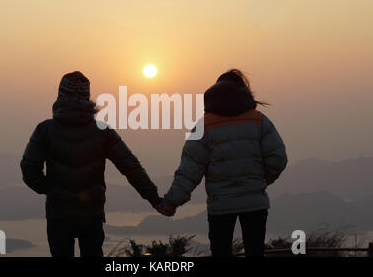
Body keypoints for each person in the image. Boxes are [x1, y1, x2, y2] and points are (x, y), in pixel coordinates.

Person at [20, 71, 162, 257]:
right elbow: (131, 167)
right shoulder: (102, 132)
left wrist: (50, 188)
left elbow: (29, 170)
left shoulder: (45, 130)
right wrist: (154, 198)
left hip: (59, 215)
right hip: (91, 214)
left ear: (60, 96)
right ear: (87, 98)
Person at [159, 69, 288, 257]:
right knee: (255, 252)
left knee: (220, 253)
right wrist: (257, 181)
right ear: (243, 91)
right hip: (255, 203)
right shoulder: (258, 120)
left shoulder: (204, 126)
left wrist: (171, 202)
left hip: (221, 206)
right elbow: (277, 159)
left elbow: (189, 171)